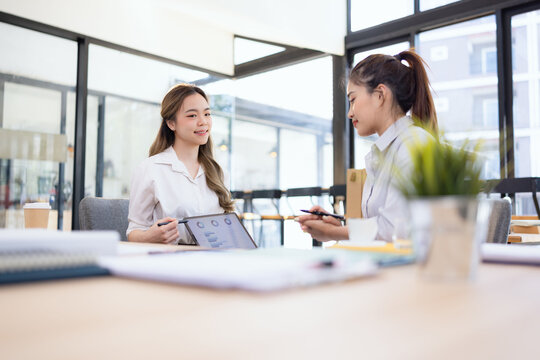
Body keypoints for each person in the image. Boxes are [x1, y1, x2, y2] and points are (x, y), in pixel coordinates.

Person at [298, 50, 438, 242]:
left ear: (380, 95)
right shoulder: (384, 152)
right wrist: (339, 227)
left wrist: (334, 233)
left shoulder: (414, 145)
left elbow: (395, 230)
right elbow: (380, 227)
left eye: (353, 100)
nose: (349, 113)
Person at [127, 84, 234, 244]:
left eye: (207, 114)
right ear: (171, 123)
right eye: (192, 116)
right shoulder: (150, 169)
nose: (203, 121)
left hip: (212, 260)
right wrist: (149, 237)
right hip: (169, 260)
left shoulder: (219, 172)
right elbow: (134, 232)